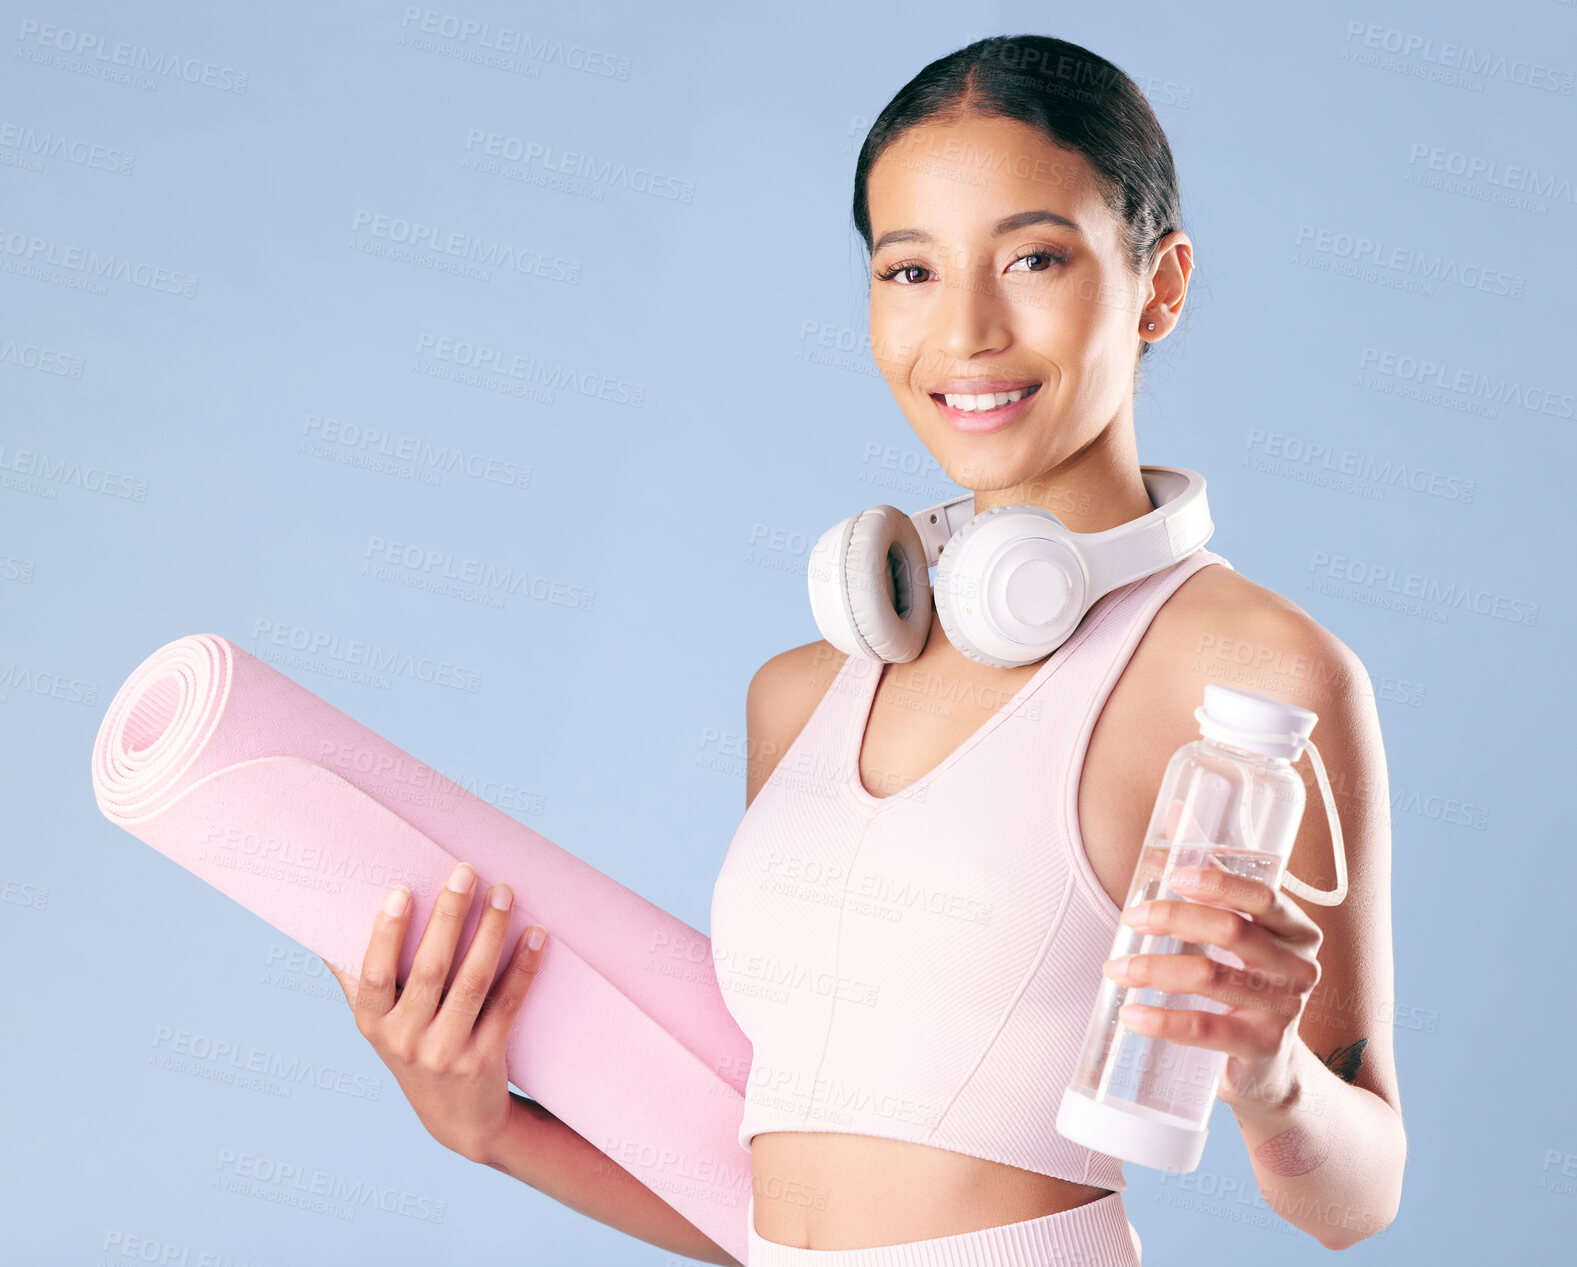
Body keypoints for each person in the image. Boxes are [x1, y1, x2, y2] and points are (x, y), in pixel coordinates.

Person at [329, 33, 1404, 1266]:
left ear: (1157, 286)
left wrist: (1267, 1080)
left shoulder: (1253, 674)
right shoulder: (805, 690)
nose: (967, 333)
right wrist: (494, 1132)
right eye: (909, 273)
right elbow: (763, 1193)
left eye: (1034, 259)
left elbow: (1355, 1196)